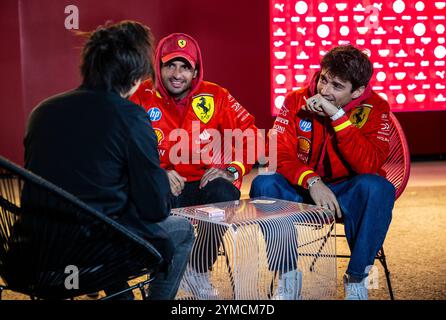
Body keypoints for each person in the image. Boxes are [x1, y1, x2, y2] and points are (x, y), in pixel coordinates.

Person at [24, 21, 194, 300]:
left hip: (34, 256)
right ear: (137, 76)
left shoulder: (41, 112)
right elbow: (154, 210)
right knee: (181, 230)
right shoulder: (131, 117)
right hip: (95, 256)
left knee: (110, 225)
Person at [250, 45, 395, 300]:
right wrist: (312, 181)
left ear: (358, 91)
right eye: (324, 79)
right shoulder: (295, 99)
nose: (324, 91)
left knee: (379, 188)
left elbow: (370, 165)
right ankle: (288, 275)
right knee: (264, 184)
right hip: (302, 187)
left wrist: (338, 117)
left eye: (337, 86)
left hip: (346, 190)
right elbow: (276, 153)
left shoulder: (377, 107)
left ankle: (357, 278)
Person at [131, 33, 258, 298]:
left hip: (202, 185)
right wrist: (157, 173)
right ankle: (163, 272)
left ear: (196, 70)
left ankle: (197, 270)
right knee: (143, 194)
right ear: (159, 66)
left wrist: (232, 168)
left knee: (224, 193)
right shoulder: (141, 95)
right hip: (162, 187)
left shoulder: (216, 95)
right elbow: (124, 146)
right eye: (170, 65)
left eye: (185, 67)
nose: (177, 74)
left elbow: (253, 135)